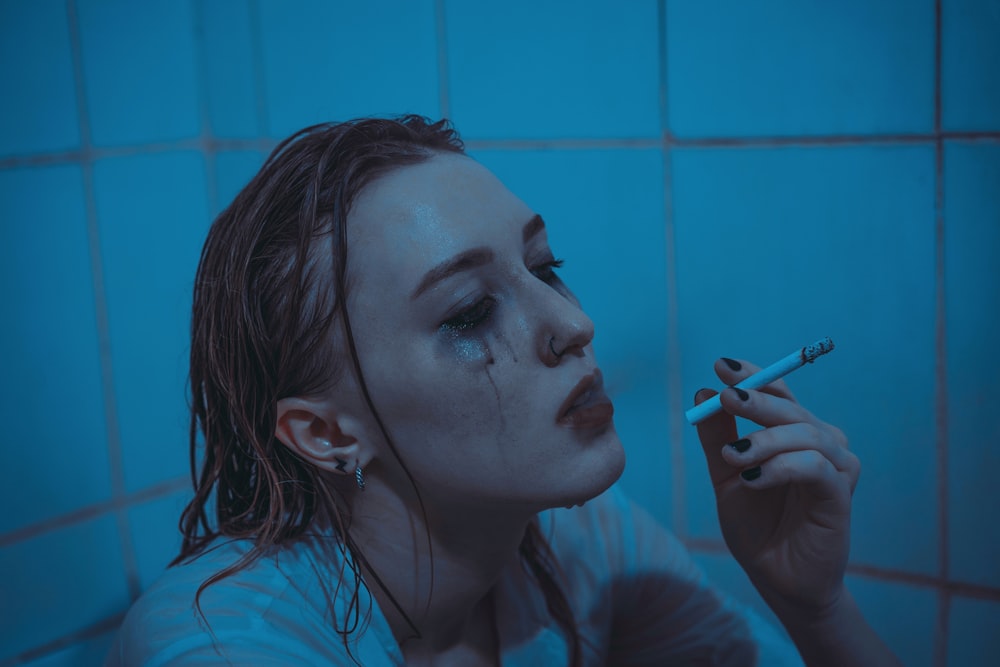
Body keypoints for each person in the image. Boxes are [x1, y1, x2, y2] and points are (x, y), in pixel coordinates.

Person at [107, 116, 900, 666]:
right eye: (468, 311)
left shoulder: (588, 540)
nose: (572, 322)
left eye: (547, 266)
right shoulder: (217, 643)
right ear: (327, 435)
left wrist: (814, 607)